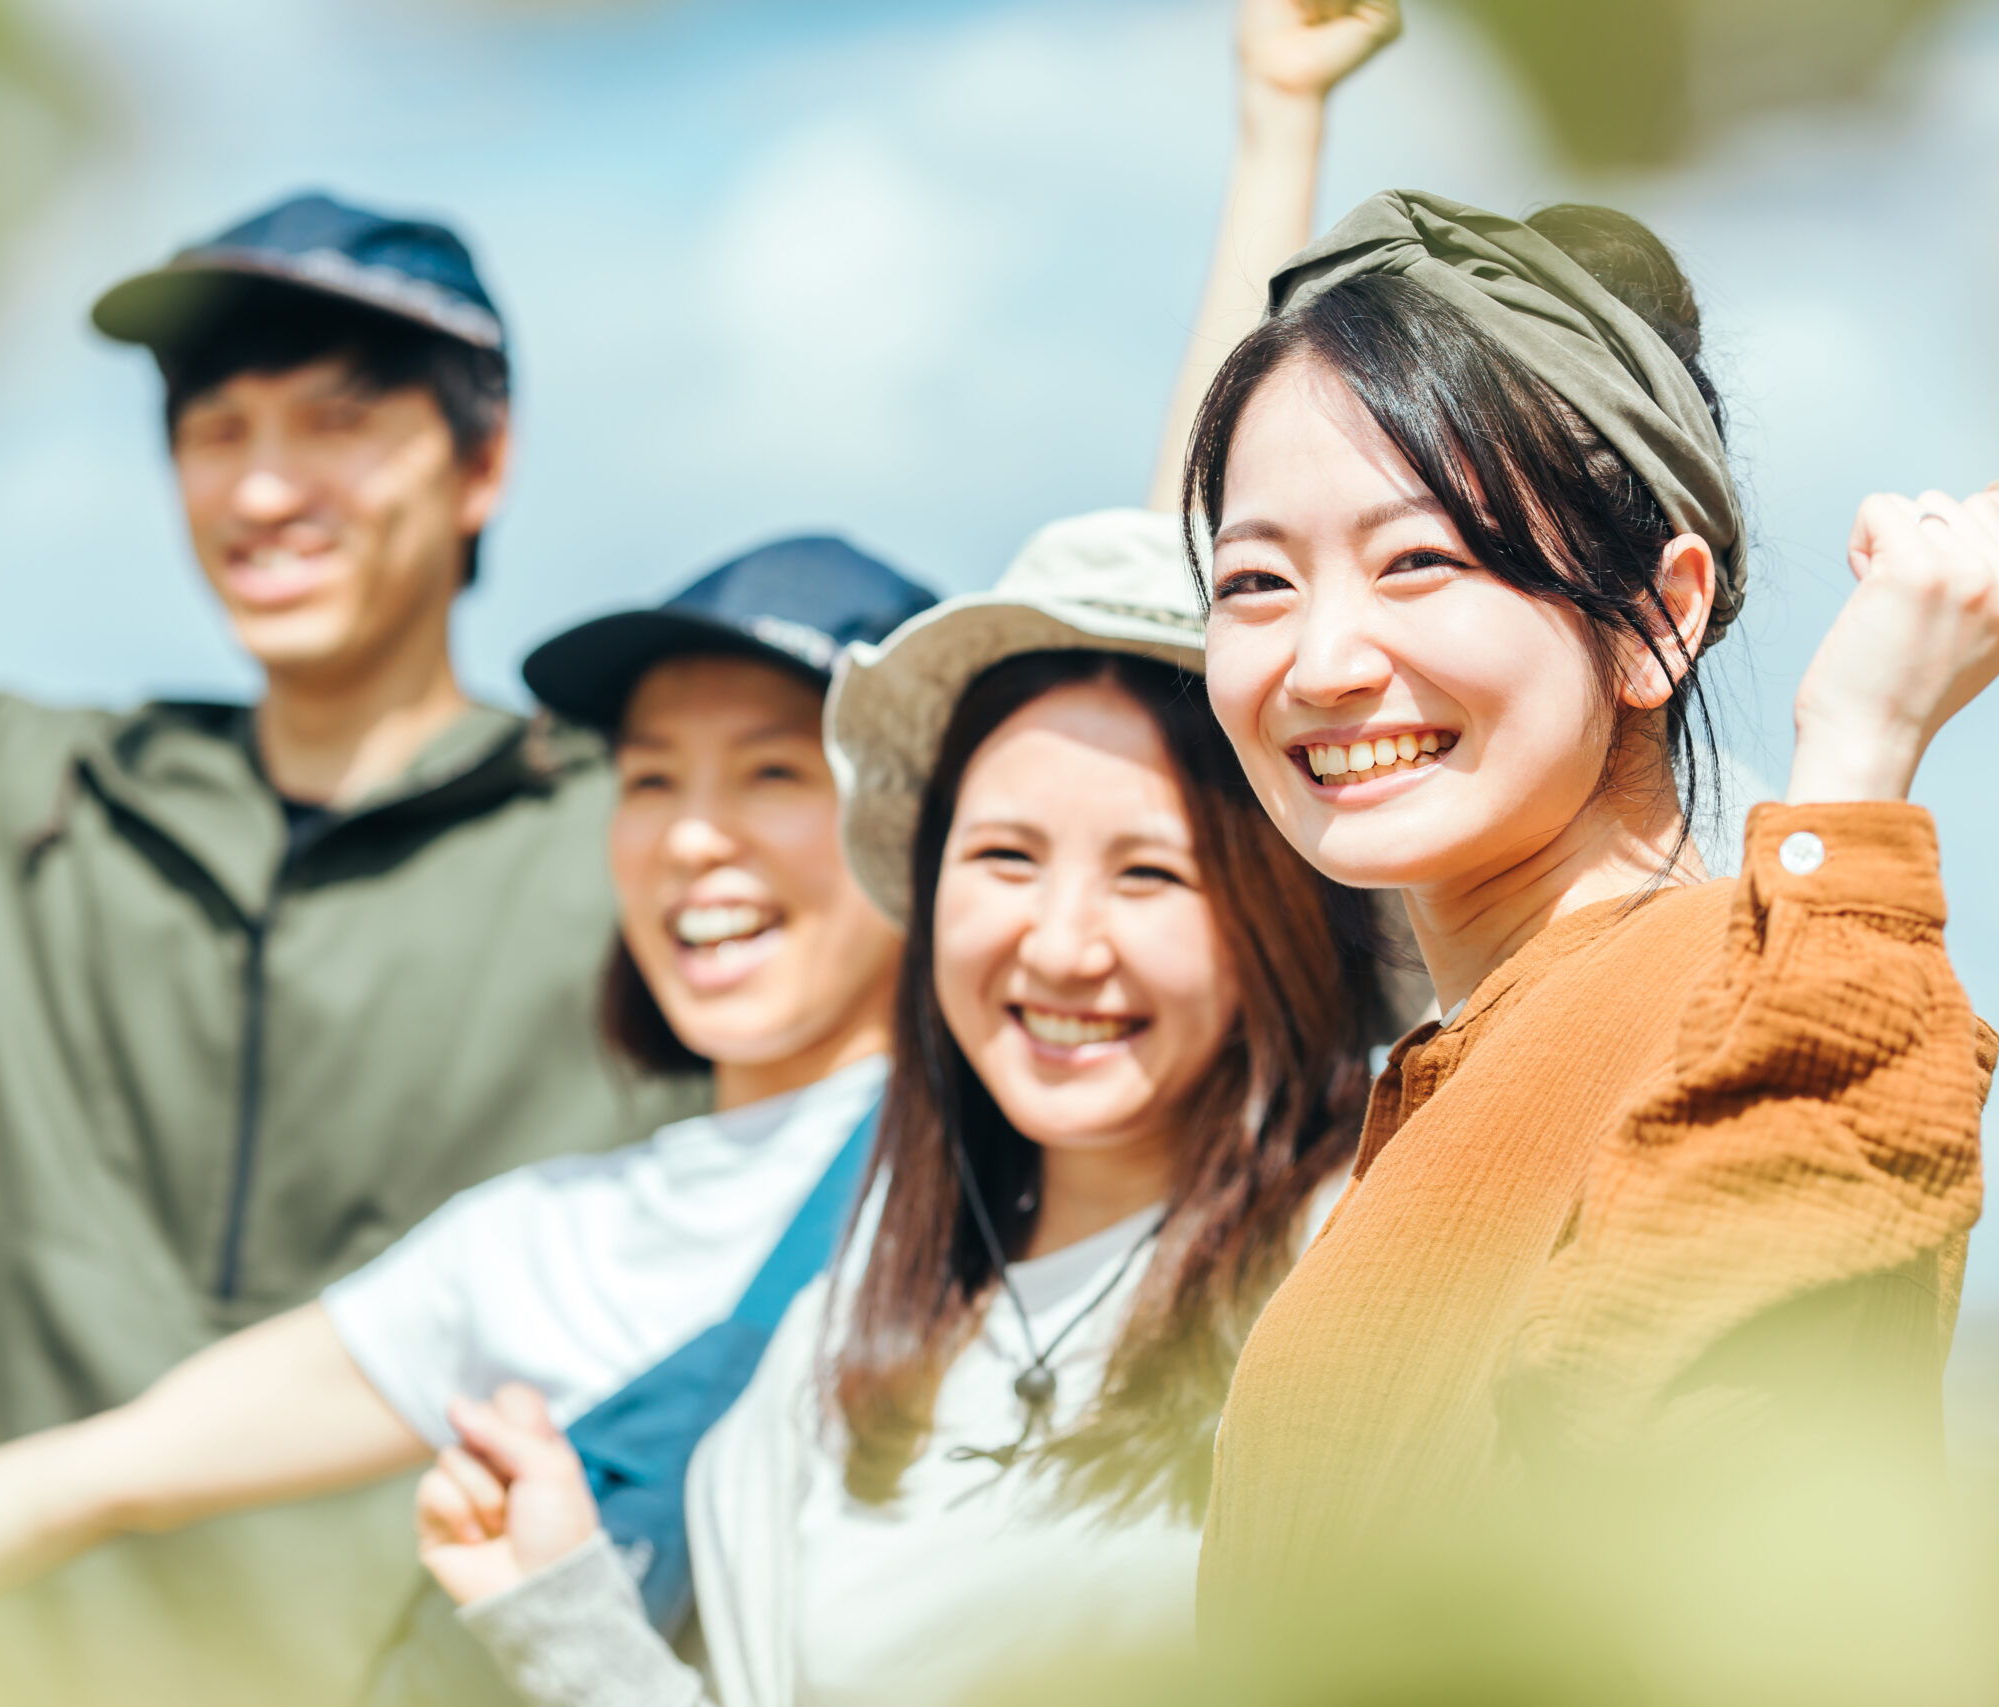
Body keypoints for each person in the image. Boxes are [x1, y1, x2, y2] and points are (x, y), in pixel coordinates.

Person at [0, 196, 712, 1705]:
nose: (268, 483)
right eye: (214, 430)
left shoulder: (656, 860)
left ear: (485, 459)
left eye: (339, 421)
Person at [0, 539, 937, 1706]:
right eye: (648, 779)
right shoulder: (545, 1238)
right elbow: (109, 1471)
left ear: (927, 829)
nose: (694, 837)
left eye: (775, 774)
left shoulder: (1001, 1174)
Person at [1175, 192, 1999, 1612]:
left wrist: (1856, 766)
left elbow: (1704, 1509)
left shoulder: (1760, 981)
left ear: (1659, 613)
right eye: (1255, 580)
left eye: (1418, 560)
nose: (1322, 657)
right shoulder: (1453, 1067)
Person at [409, 512, 1396, 1707]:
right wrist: (569, 1621)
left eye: (1150, 872)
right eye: (1004, 859)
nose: (1062, 946)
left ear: (1279, 916)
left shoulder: (1366, 1275)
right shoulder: (818, 1373)